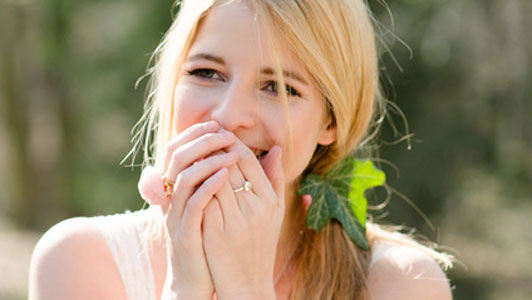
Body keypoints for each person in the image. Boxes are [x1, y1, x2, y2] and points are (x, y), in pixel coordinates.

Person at [28, 0, 454, 299]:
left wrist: (246, 291)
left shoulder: (401, 286)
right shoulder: (78, 262)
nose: (230, 116)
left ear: (331, 121)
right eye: (207, 72)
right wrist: (185, 288)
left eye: (279, 88)